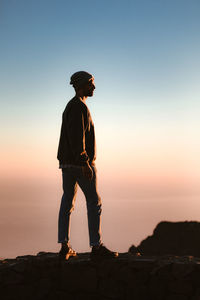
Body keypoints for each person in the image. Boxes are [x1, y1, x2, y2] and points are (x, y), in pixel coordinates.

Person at [57, 71, 118, 260]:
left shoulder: (72, 106)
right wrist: (85, 163)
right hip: (79, 164)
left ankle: (64, 246)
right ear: (82, 85)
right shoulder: (78, 107)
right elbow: (78, 139)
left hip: (67, 164)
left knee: (67, 201)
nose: (94, 87)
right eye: (91, 83)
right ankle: (96, 247)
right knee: (94, 202)